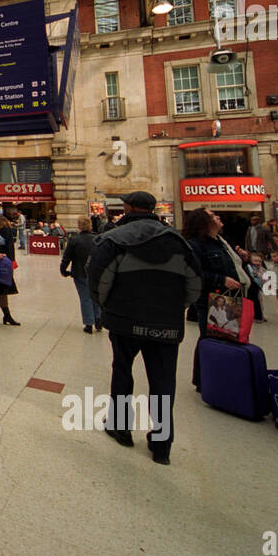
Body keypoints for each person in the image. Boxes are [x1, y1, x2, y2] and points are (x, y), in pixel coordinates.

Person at [85, 191, 202, 466]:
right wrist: (174, 308)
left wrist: (108, 307)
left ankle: (121, 427)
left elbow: (97, 278)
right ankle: (162, 444)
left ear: (127, 208)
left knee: (123, 372)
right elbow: (195, 283)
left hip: (125, 319)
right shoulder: (177, 242)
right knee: (163, 383)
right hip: (166, 324)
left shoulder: (114, 239)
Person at [182, 208, 248, 369]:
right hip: (213, 298)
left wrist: (242, 258)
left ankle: (216, 374)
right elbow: (192, 272)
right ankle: (205, 378)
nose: (217, 217)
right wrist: (221, 279)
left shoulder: (222, 241)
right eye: (212, 216)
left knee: (224, 338)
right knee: (211, 339)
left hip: (230, 298)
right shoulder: (195, 244)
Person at [60, 216, 102, 333]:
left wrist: (63, 270)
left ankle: (89, 323)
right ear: (90, 226)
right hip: (95, 273)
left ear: (79, 226)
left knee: (85, 298)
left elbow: (67, 257)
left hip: (79, 272)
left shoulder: (74, 240)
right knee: (96, 296)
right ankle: (98, 319)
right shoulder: (97, 239)